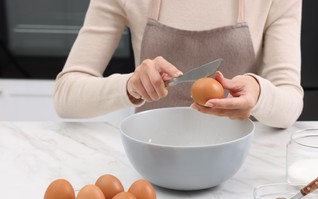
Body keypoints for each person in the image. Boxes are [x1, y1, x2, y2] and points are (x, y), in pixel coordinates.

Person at [54, 0, 303, 128]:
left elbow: (290, 105)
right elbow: (66, 97)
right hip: (152, 154)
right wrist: (130, 86)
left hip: (237, 165)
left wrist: (259, 93)